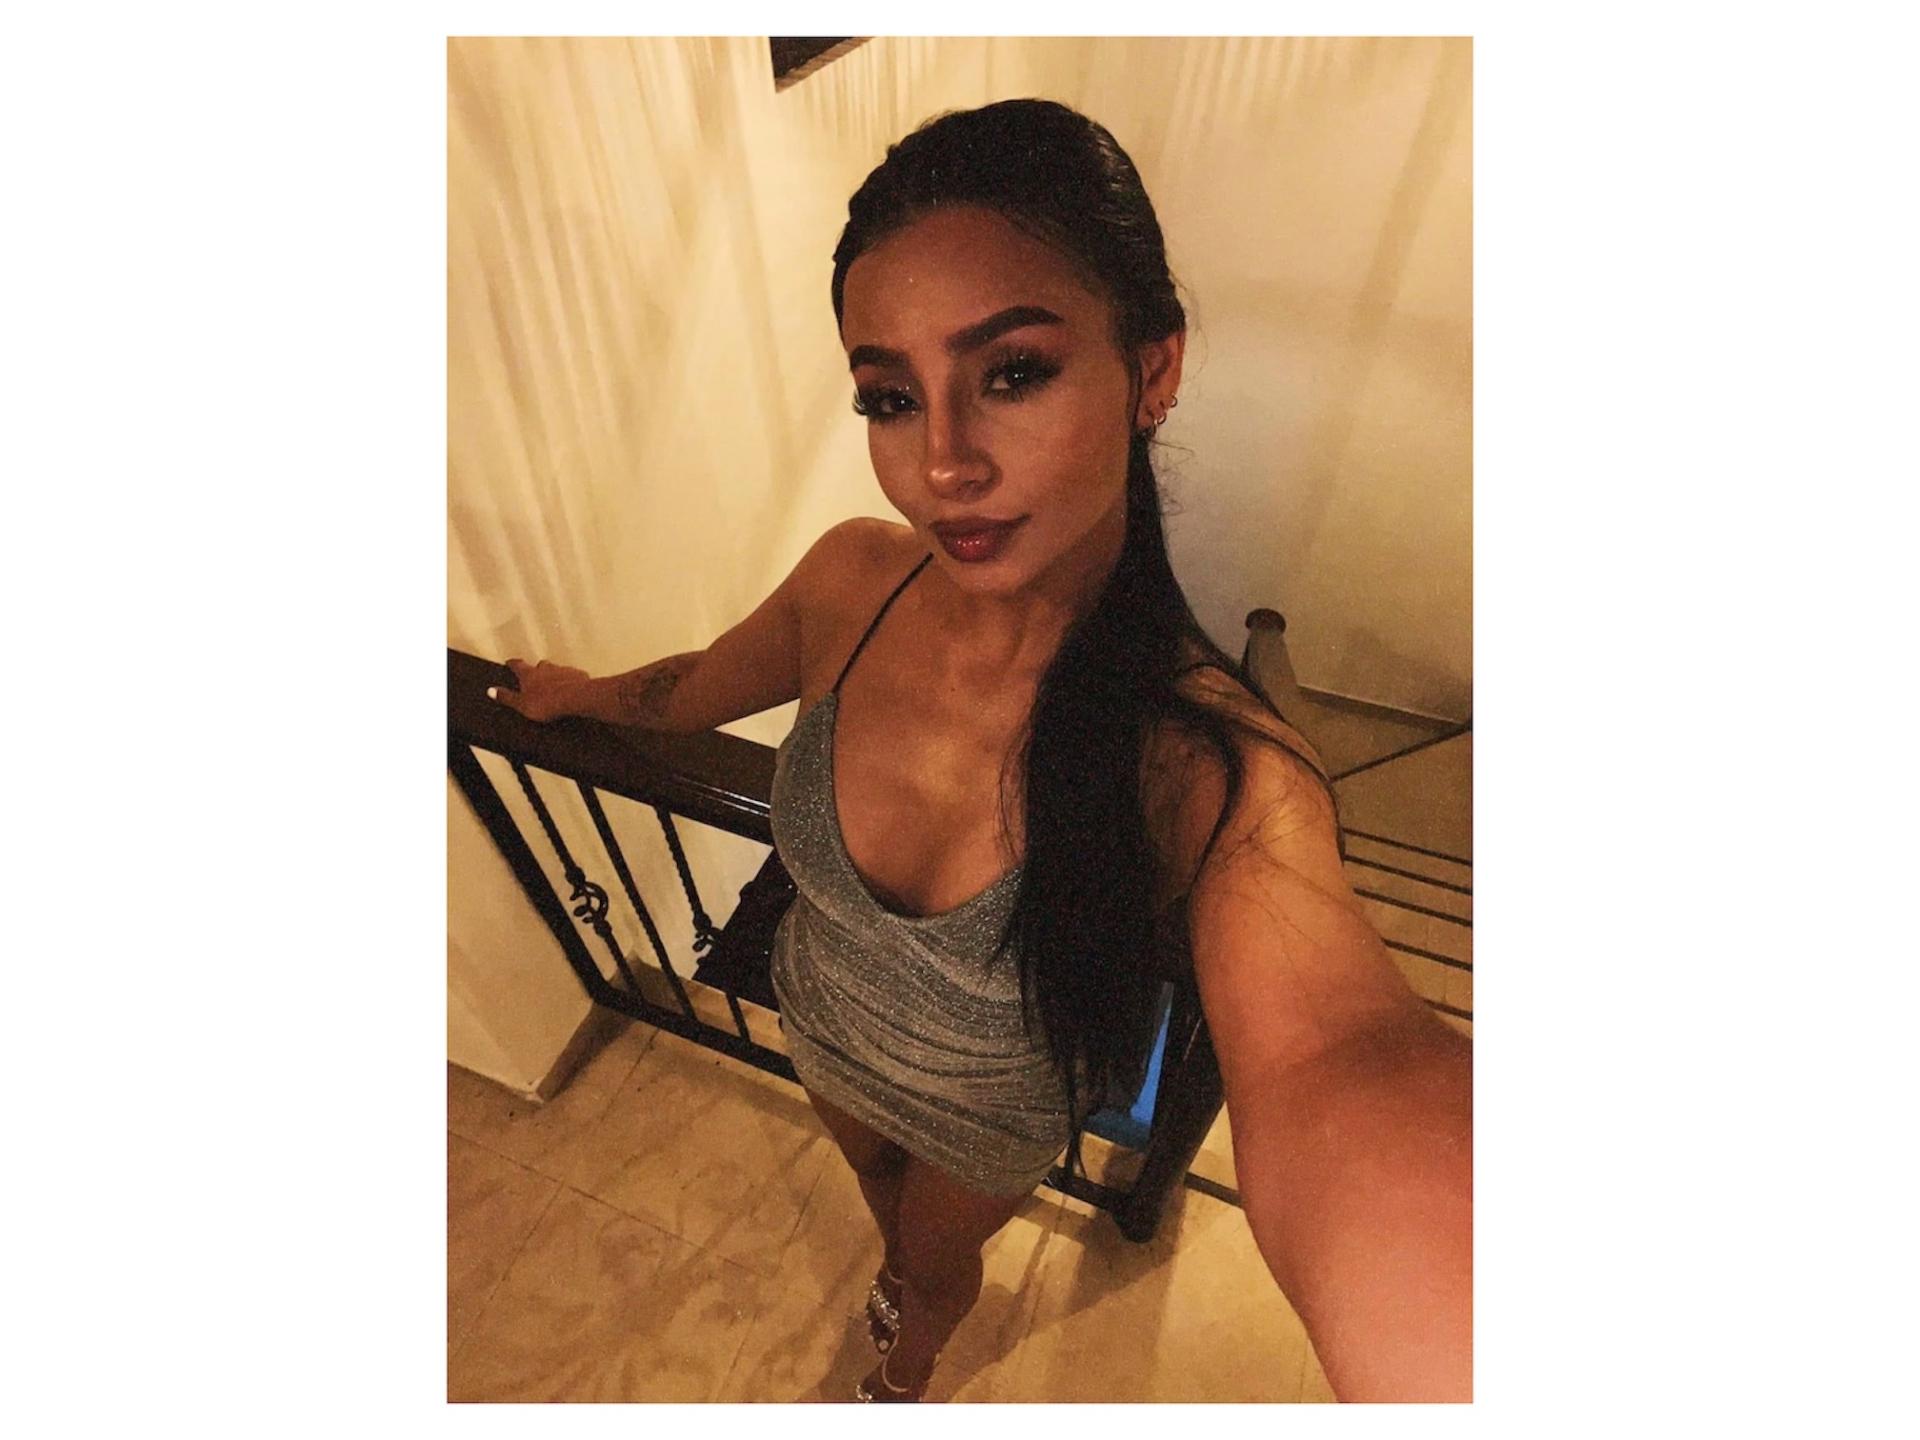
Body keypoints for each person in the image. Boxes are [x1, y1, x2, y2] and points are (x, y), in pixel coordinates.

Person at [488, 98, 1471, 1403]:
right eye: (892, 398)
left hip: (985, 1121)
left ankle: (907, 1367)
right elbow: (691, 692)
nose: (943, 463)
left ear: (1153, 371)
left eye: (1012, 373)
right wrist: (576, 692)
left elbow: (1337, 1054)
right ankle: (899, 1286)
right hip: (821, 1022)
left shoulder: (1207, 765)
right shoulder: (850, 581)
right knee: (875, 1203)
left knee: (932, 1261)